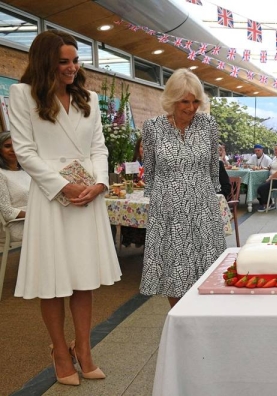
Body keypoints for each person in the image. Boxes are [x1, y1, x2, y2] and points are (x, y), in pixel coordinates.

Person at [10, 30, 121, 386]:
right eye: (64, 62)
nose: (72, 68)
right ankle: (60, 351)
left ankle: (84, 348)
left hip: (87, 196)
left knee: (84, 279)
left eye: (75, 61)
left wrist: (100, 184)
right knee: (55, 280)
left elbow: (99, 148)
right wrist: (62, 185)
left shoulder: (87, 97)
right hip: (52, 198)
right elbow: (24, 151)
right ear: (46, 62)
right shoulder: (22, 94)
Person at [140, 68, 226, 308]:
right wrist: (160, 203)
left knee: (206, 268)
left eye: (195, 101)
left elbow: (212, 168)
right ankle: (180, 319)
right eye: (184, 102)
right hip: (168, 209)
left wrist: (209, 198)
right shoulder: (152, 128)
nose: (190, 107)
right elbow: (150, 172)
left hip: (202, 207)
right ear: (172, 100)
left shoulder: (208, 124)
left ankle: (206, 320)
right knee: (174, 270)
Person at [0, 132, 31, 242]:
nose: (13, 149)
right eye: (7, 146)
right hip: (17, 224)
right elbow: (6, 211)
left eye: (16, 145)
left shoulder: (26, 171)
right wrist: (34, 215)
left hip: (35, 218)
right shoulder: (1, 174)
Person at [256, 143, 277, 212]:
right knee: (259, 185)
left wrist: (269, 178)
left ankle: (267, 204)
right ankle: (269, 203)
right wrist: (262, 168)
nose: (276, 151)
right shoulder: (275, 158)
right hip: (275, 179)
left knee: (262, 188)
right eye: (275, 150)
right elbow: (270, 167)